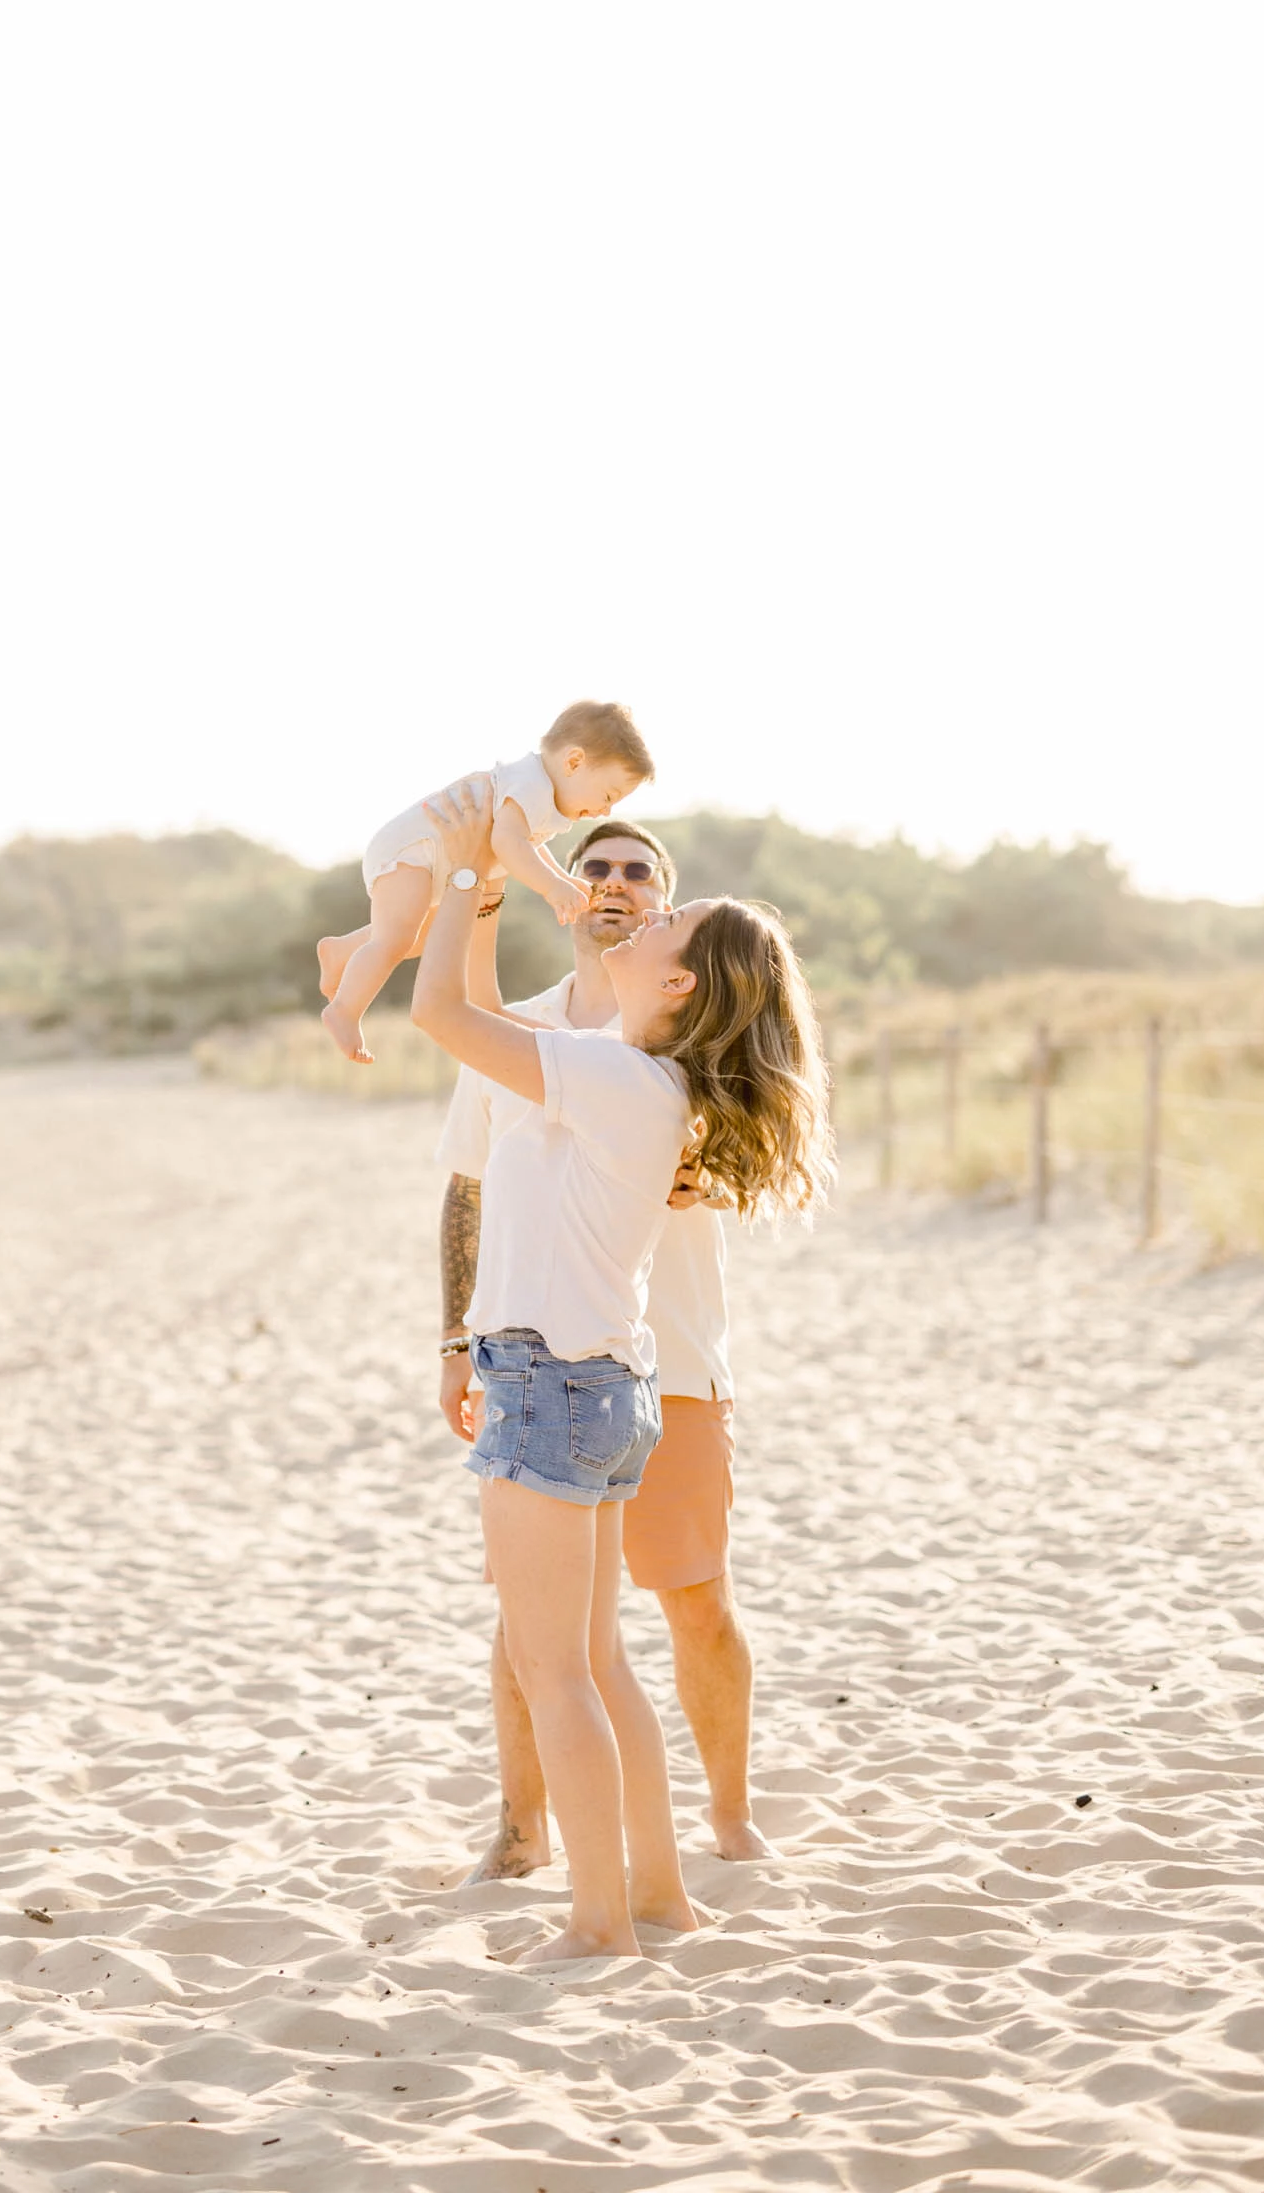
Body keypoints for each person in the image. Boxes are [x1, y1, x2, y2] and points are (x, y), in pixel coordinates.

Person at [410, 779, 832, 1966]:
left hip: (550, 1388)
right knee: (594, 1665)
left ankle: (598, 1923)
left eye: (663, 923)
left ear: (681, 982)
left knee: (558, 1673)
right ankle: (659, 1897)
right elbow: (488, 1016)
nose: (637, 920)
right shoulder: (626, 1069)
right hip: (599, 1388)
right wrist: (499, 884)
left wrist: (454, 878)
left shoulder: (608, 1076)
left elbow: (442, 1006)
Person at [317, 700, 652, 1062]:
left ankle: (340, 951)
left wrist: (562, 881)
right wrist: (551, 887)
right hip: (413, 850)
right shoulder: (529, 784)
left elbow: (530, 846)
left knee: (420, 935)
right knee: (396, 938)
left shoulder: (543, 798)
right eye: (608, 796)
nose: (605, 811)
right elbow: (507, 843)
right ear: (573, 762)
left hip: (437, 860)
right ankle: (344, 1010)